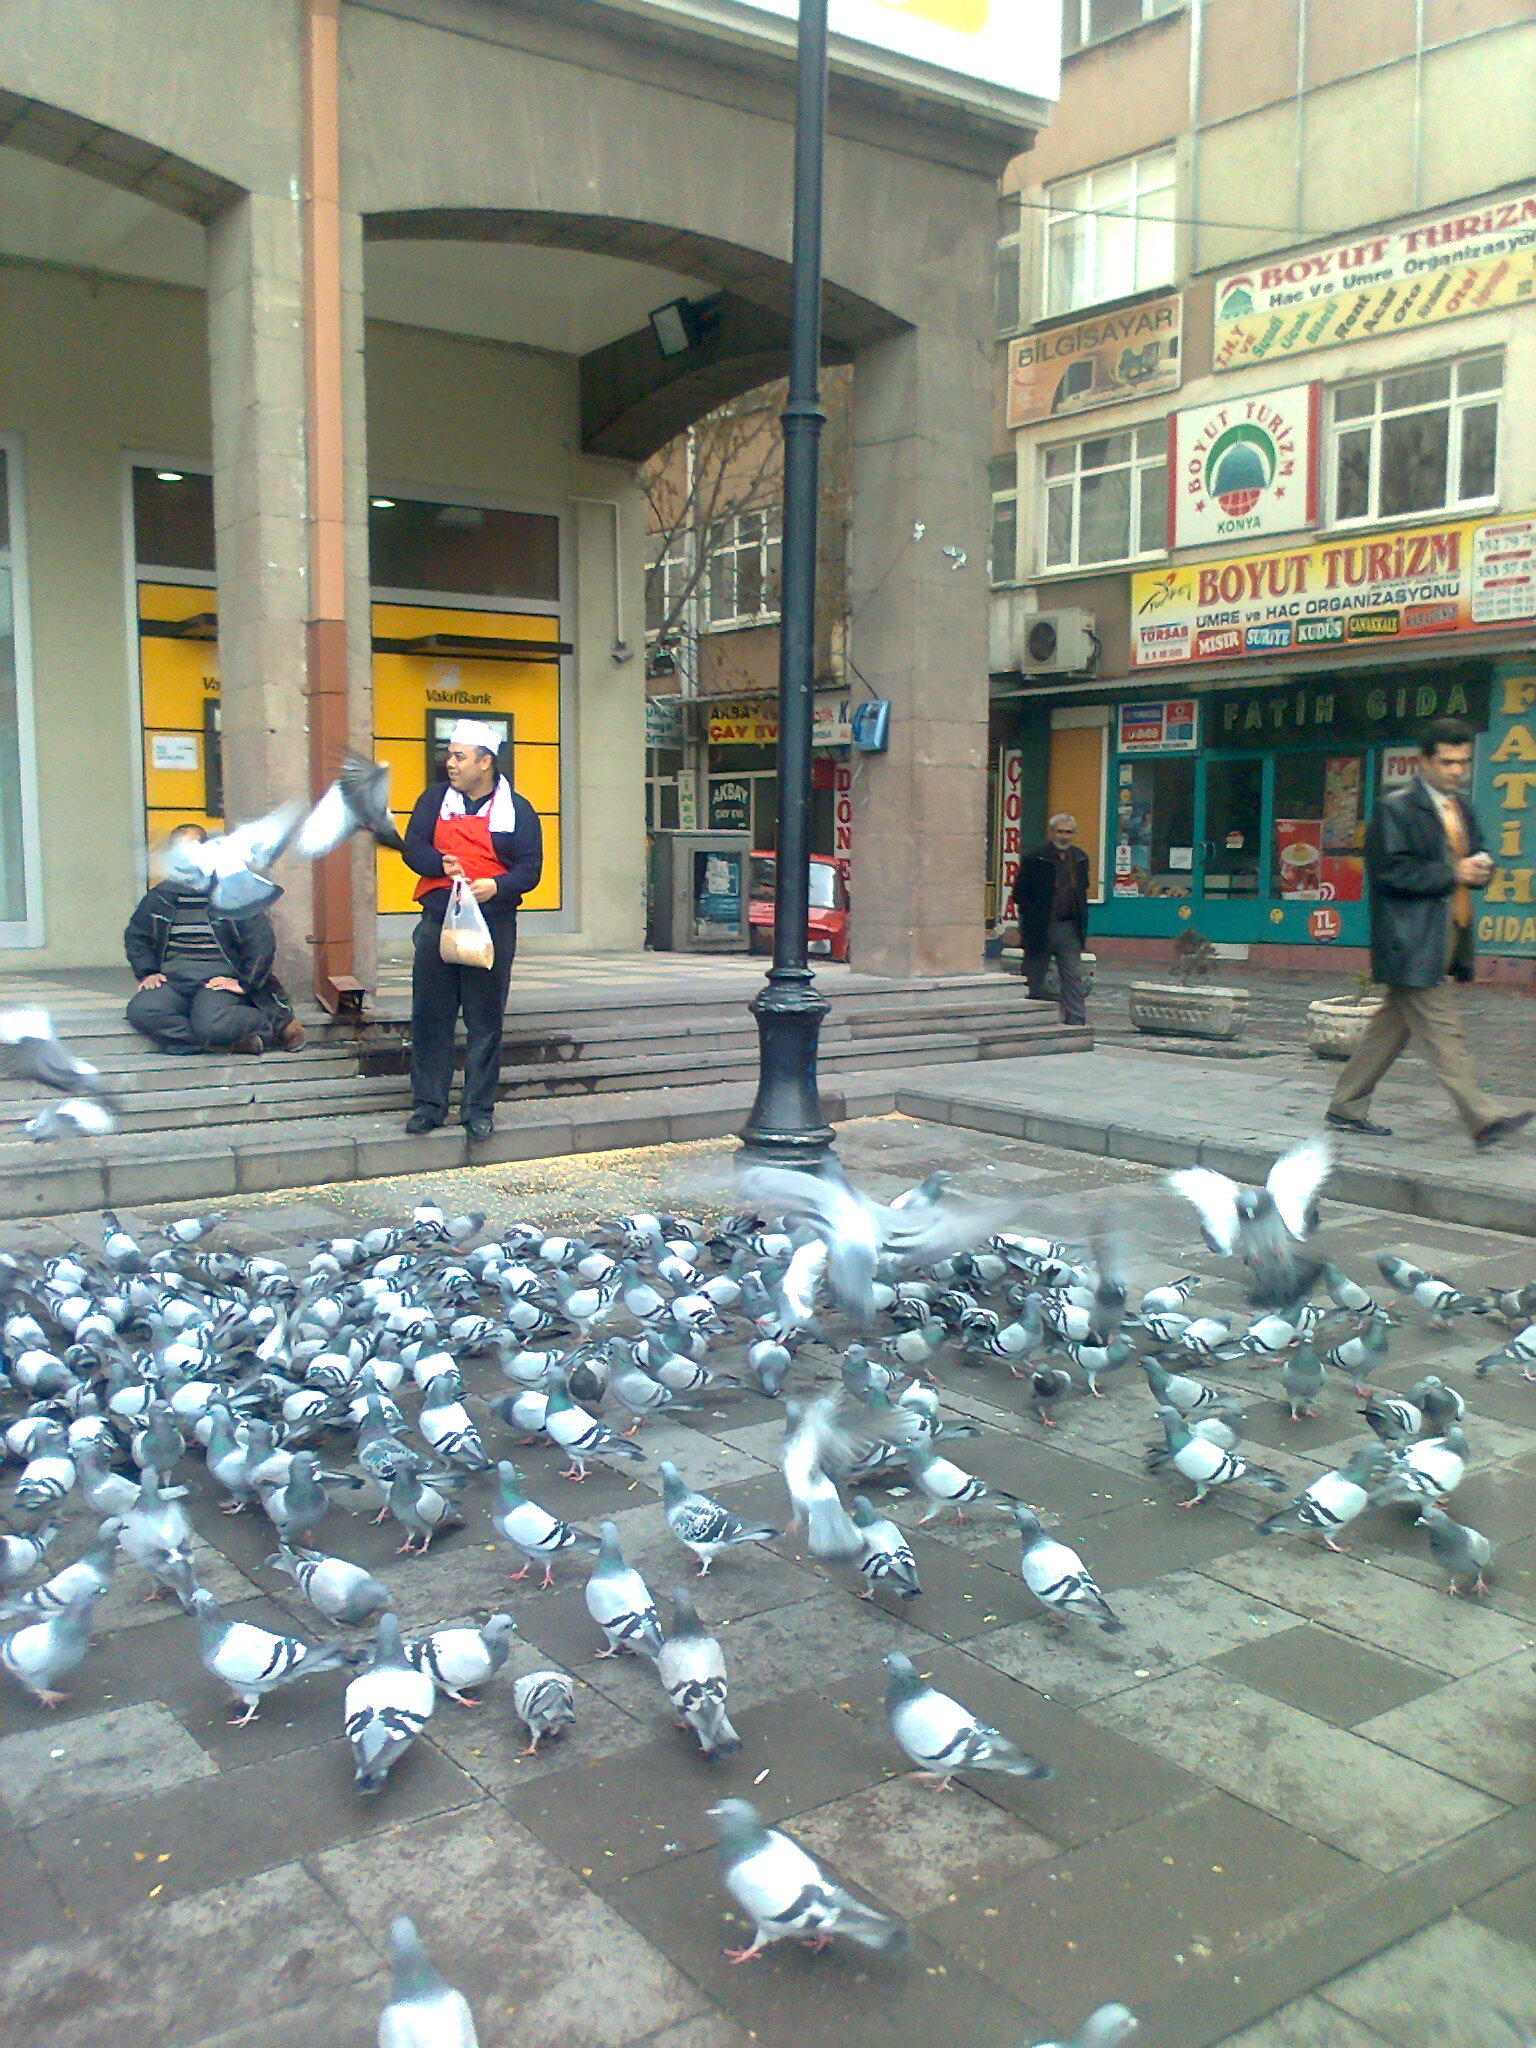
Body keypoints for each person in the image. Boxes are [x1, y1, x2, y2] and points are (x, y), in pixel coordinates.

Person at [1326, 716, 1530, 1150]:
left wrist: (1481, 868)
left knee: (1391, 1026)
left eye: (1463, 763)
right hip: (1409, 938)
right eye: (1448, 762)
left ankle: (1345, 1106)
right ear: (1423, 761)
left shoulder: (1461, 808)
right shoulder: (1395, 807)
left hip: (1447, 931)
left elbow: (1476, 856)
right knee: (1441, 1028)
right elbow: (1388, 872)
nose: (1457, 771)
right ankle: (1481, 1117)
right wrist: (1452, 871)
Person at [400, 719, 543, 1141]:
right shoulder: (433, 801)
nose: (450, 763)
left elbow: (530, 870)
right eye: (450, 754)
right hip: (437, 921)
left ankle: (478, 1109)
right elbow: (415, 847)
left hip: (492, 923)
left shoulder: (518, 809)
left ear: (485, 761)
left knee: (484, 1020)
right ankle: (428, 1105)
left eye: (459, 756)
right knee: (430, 1017)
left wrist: (496, 886)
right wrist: (436, 864)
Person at [124, 824, 305, 1056]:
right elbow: (136, 935)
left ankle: (273, 1027)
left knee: (212, 1023)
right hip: (174, 980)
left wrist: (244, 983)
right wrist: (147, 971)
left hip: (218, 982)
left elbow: (261, 941)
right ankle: (224, 1043)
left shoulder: (231, 891)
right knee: (143, 1010)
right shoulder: (160, 897)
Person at [1012, 811, 1090, 1027]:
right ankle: (1029, 1019)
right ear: (1051, 832)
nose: (1064, 837)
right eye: (1060, 832)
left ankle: (1076, 1021)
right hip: (1041, 927)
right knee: (1034, 977)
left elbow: (1082, 891)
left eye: (1069, 832)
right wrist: (1032, 918)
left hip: (1069, 927)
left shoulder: (1080, 858)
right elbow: (1019, 893)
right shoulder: (1035, 858)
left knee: (1073, 975)